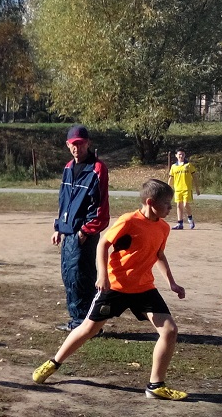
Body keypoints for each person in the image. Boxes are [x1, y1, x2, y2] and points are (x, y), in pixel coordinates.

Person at [33, 178, 187, 401]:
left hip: (144, 288)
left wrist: (172, 282)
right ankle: (54, 362)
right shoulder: (129, 221)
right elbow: (103, 244)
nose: (170, 209)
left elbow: (159, 255)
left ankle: (155, 385)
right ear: (150, 202)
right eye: (167, 204)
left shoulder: (163, 228)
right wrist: (103, 276)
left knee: (170, 330)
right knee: (88, 329)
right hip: (115, 286)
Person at [51, 125, 110, 332]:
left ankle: (88, 325)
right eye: (73, 145)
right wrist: (59, 227)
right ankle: (78, 321)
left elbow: (100, 208)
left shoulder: (97, 169)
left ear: (88, 143)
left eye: (80, 144)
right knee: (69, 276)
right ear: (68, 145)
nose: (77, 148)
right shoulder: (68, 168)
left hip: (84, 234)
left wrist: (85, 231)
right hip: (69, 232)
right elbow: (64, 200)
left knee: (82, 278)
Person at [167, 148, 201, 229]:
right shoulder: (174, 166)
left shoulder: (188, 165)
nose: (181, 156)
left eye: (182, 154)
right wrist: (167, 188)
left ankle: (190, 218)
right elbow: (171, 178)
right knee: (179, 205)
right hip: (178, 189)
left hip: (187, 188)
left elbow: (194, 176)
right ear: (176, 155)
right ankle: (180, 223)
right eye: (179, 154)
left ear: (184, 155)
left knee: (185, 204)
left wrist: (197, 188)